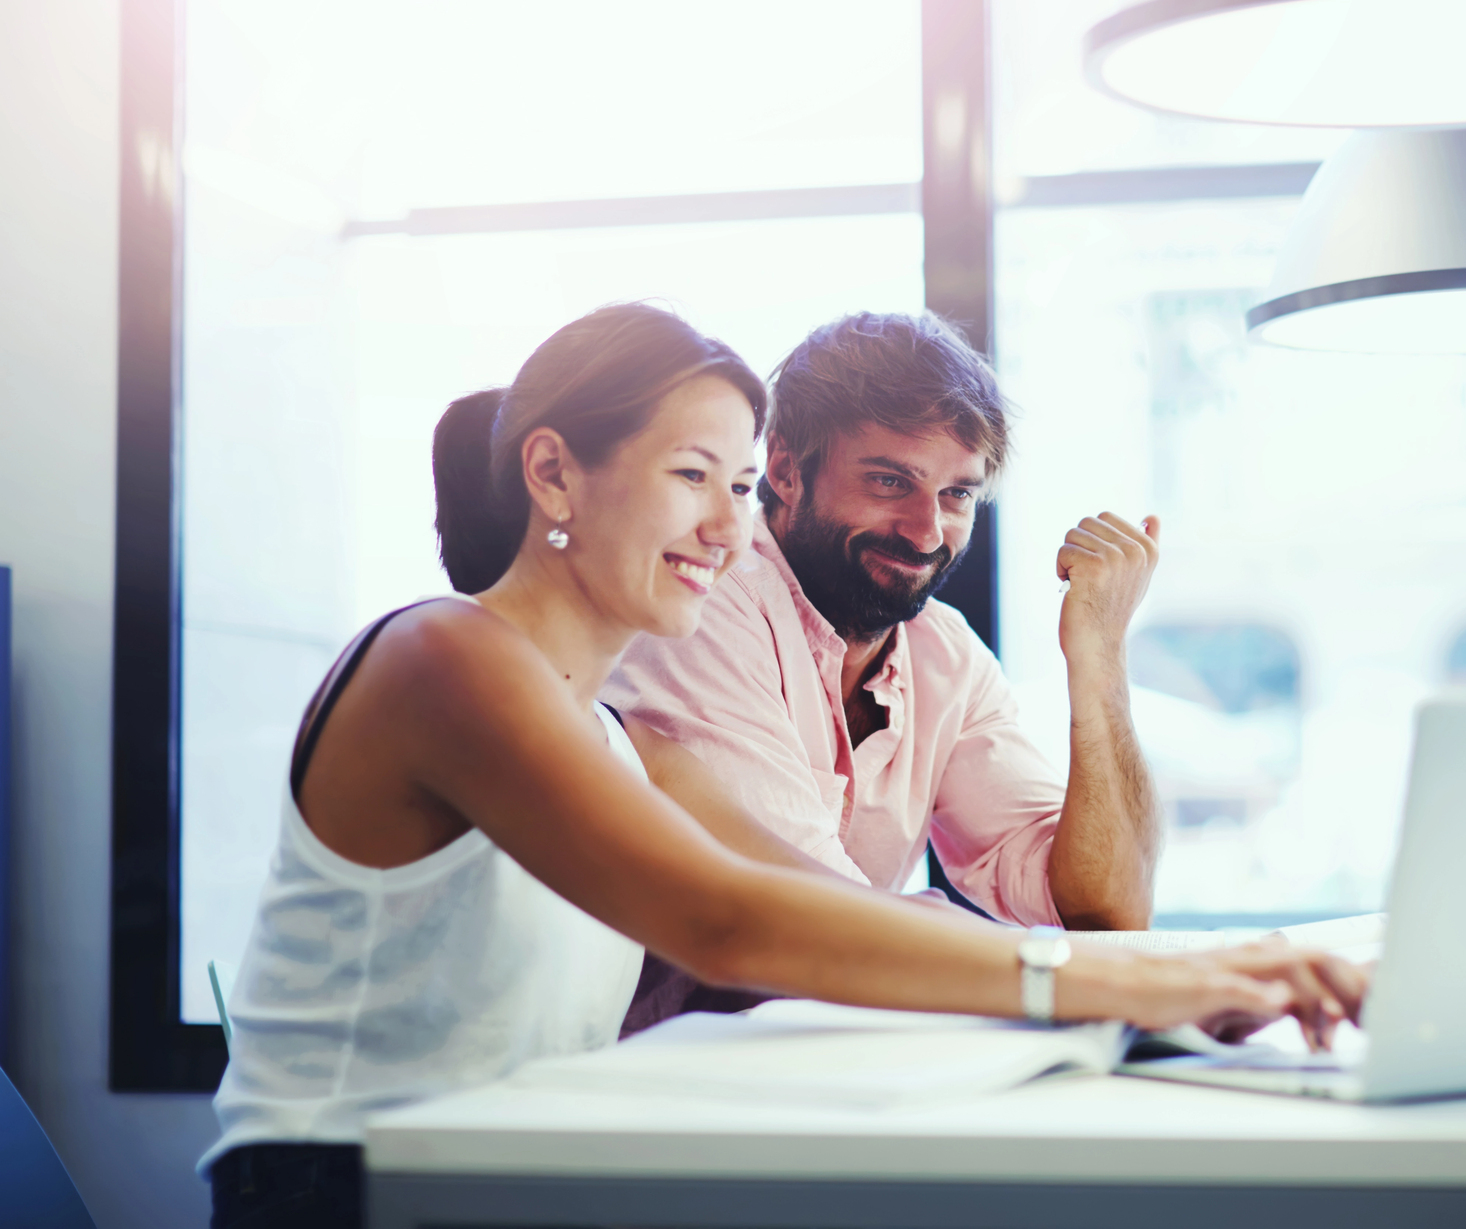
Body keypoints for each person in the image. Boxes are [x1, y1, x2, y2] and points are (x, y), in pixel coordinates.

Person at [202, 303, 1366, 1229]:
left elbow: (813, 902)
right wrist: (1155, 982)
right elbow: (729, 921)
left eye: (740, 486)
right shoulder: (444, 655)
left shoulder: (615, 736)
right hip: (336, 1184)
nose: (725, 527)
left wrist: (1197, 968)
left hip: (507, 1162)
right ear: (554, 477)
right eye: (689, 476)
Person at [608, 311, 1167, 1029]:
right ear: (783, 470)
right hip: (663, 1087)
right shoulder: (709, 602)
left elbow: (1107, 905)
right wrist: (1125, 985)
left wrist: (1099, 657)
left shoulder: (945, 652)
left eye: (956, 494)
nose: (927, 531)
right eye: (888, 481)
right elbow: (810, 920)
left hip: (830, 1065)